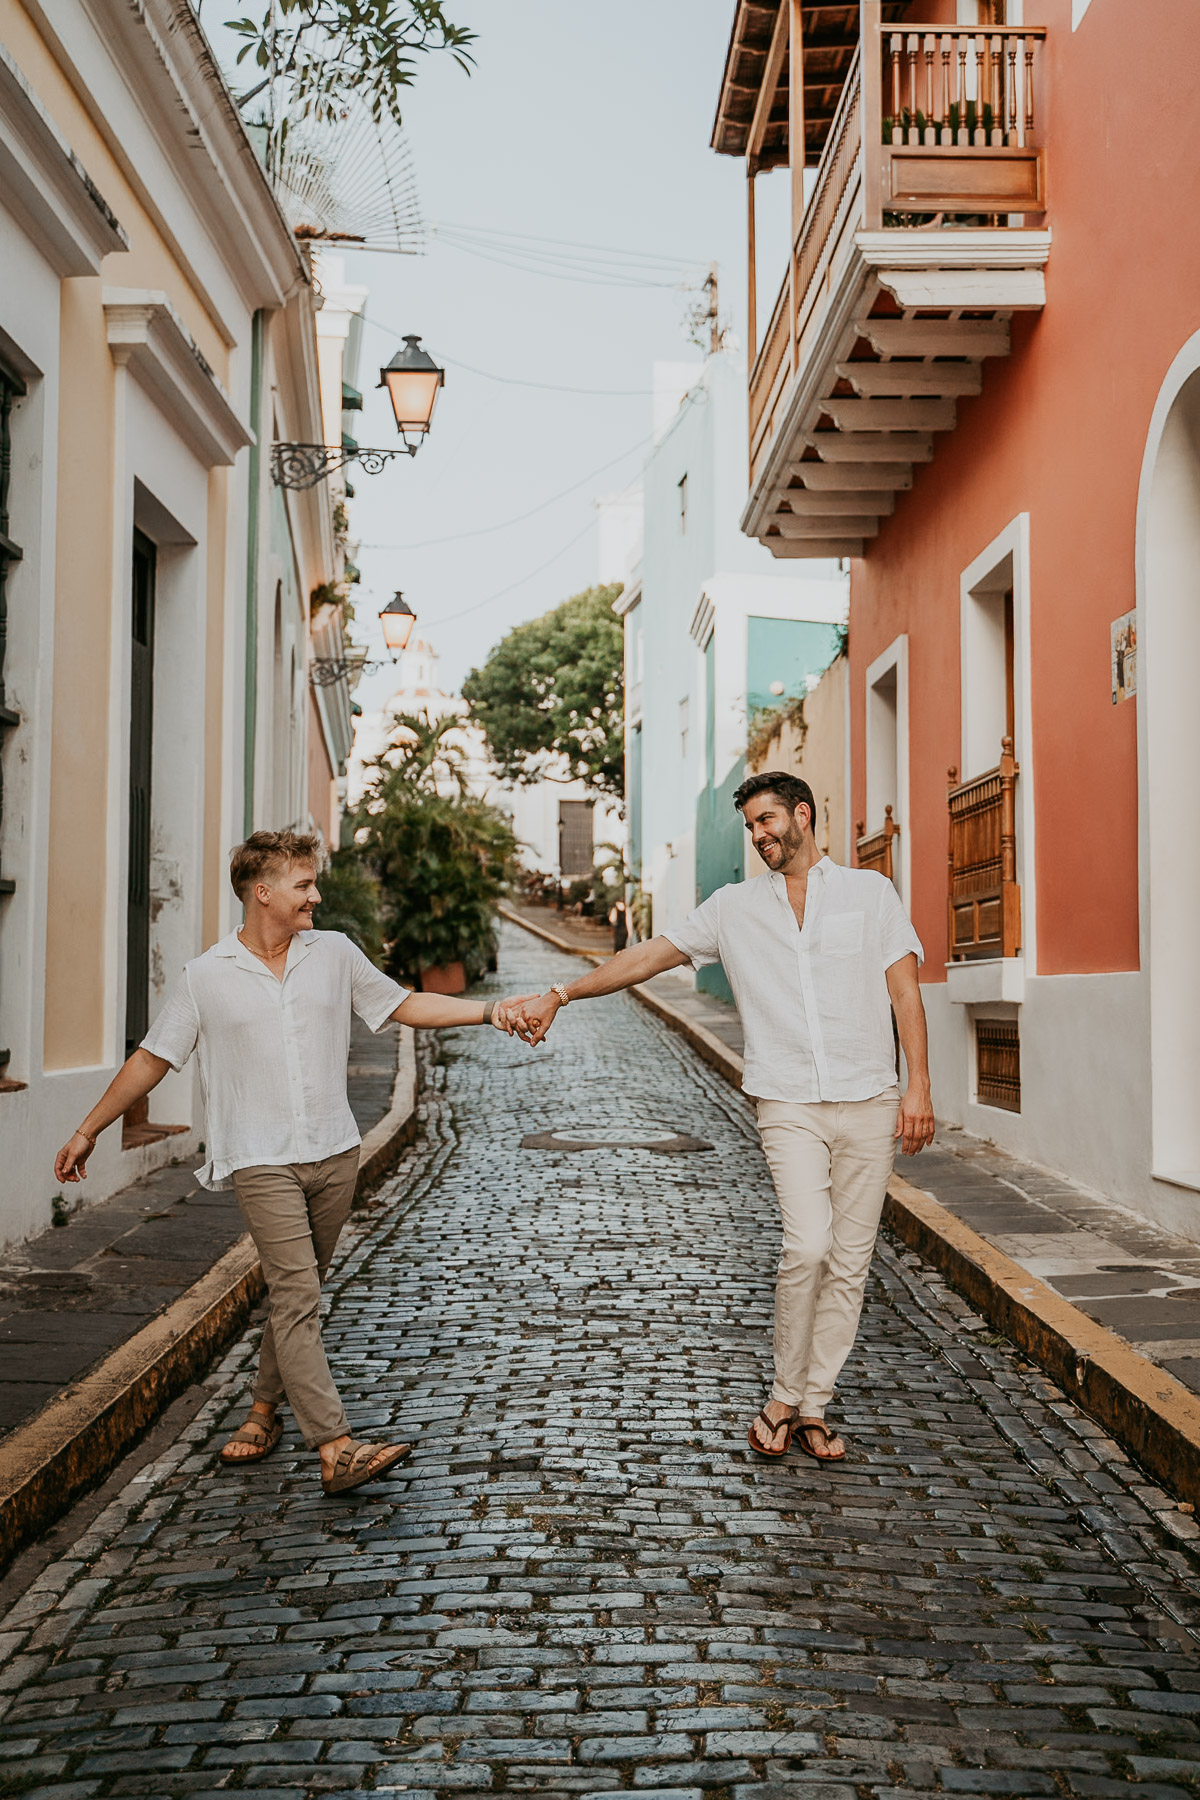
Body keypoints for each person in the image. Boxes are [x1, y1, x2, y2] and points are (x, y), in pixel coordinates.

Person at [54, 830, 532, 1497]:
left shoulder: (332, 953)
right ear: (263, 892)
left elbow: (400, 1004)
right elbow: (152, 1058)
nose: (316, 895)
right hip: (261, 1159)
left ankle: (261, 1410)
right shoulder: (207, 976)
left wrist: (491, 1011)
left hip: (335, 1153)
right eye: (304, 885)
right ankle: (334, 1446)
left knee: (297, 1295)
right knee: (298, 1292)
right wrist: (88, 1130)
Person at [513, 772, 934, 1465]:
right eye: (751, 828)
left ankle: (815, 1407)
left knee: (852, 1261)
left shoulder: (870, 894)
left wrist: (919, 1088)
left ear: (803, 814)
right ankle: (781, 1394)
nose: (760, 836)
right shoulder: (733, 908)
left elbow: (904, 991)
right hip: (788, 1100)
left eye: (768, 821)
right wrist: (563, 992)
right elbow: (648, 956)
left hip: (870, 1097)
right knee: (808, 1247)